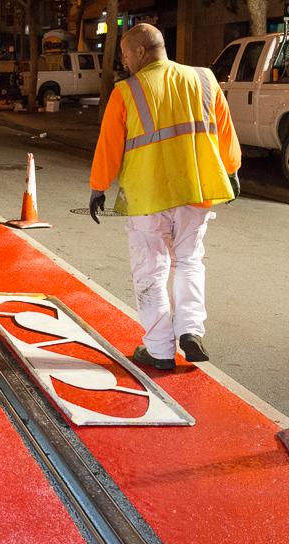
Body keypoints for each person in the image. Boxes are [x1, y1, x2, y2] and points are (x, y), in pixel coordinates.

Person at [89, 23, 241, 370]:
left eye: (126, 53)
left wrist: (99, 186)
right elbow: (225, 133)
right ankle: (190, 330)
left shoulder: (126, 91)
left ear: (141, 51)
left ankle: (159, 349)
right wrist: (231, 171)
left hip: (149, 196)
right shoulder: (204, 79)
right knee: (189, 261)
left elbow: (110, 145)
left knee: (151, 270)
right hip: (196, 190)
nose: (124, 61)